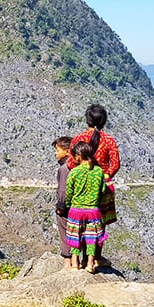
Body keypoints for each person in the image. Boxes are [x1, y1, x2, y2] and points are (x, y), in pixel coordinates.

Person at [68, 103, 120, 268]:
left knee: (78, 223)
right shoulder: (109, 140)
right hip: (101, 186)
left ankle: (79, 259)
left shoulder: (78, 139)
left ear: (87, 120)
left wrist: (82, 174)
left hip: (81, 186)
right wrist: (105, 175)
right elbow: (115, 163)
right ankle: (94, 258)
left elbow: (70, 162)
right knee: (97, 223)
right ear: (104, 121)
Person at [65, 141, 106, 273]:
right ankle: (90, 263)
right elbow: (103, 190)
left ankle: (75, 263)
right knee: (91, 238)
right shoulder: (99, 172)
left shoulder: (74, 172)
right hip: (93, 210)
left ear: (78, 156)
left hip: (76, 210)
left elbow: (69, 191)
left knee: (75, 236)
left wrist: (68, 205)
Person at [51, 136, 74, 269]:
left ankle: (67, 262)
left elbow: (62, 190)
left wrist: (60, 206)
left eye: (58, 150)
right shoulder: (76, 166)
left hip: (66, 207)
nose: (56, 153)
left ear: (67, 151)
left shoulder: (64, 169)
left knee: (65, 231)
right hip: (77, 207)